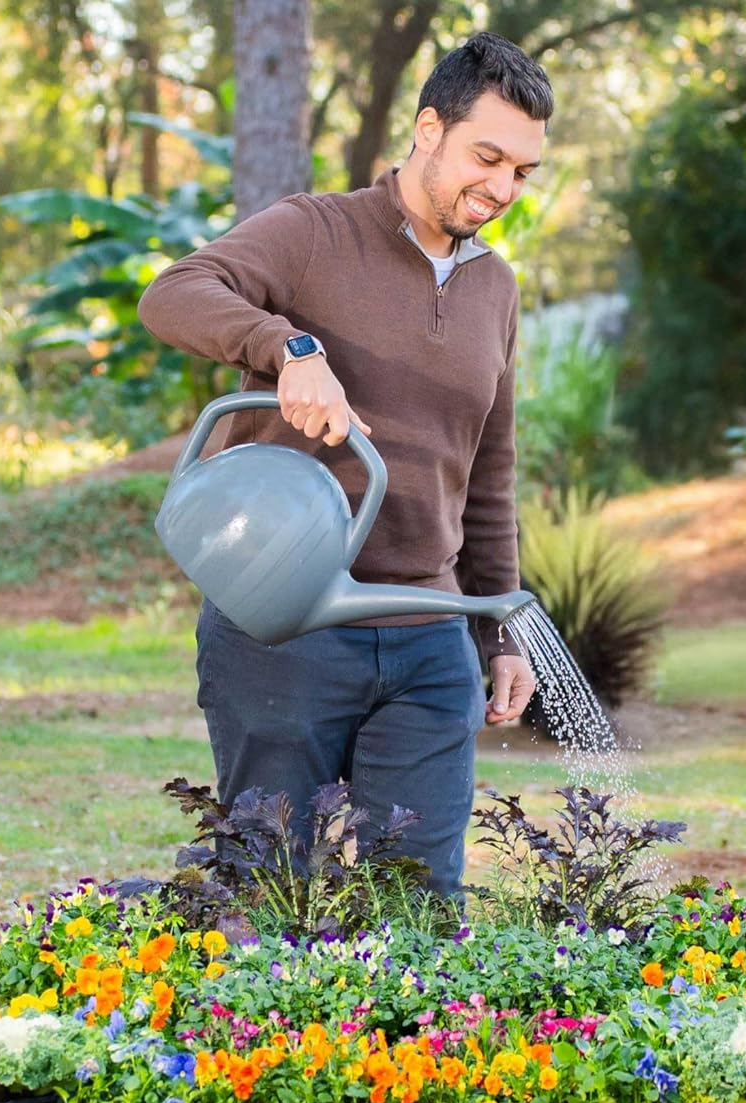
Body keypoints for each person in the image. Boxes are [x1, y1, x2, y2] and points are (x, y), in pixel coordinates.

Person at [138, 31, 551, 897]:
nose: (503, 188)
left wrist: (501, 629)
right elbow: (174, 294)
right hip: (284, 622)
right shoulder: (314, 232)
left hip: (429, 633)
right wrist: (287, 348)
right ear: (429, 128)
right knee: (267, 890)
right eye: (487, 158)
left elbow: (488, 471)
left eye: (522, 171)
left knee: (421, 903)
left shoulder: (495, 288)